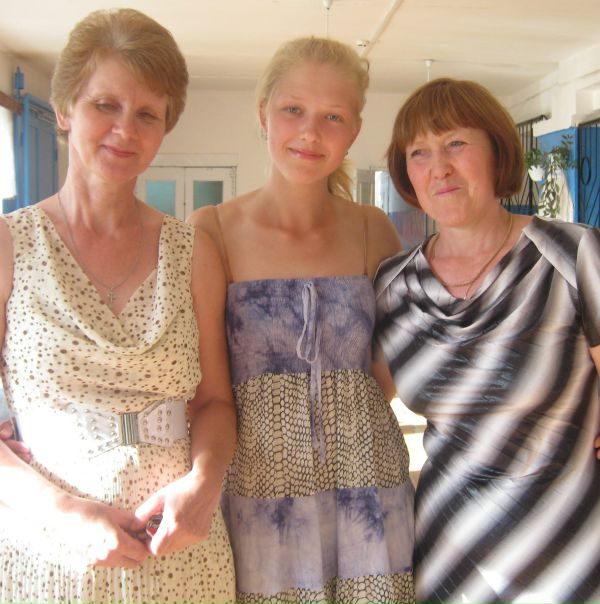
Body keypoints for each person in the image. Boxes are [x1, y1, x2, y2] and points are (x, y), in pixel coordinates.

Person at [0, 9, 235, 604]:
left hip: (183, 554)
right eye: (105, 104)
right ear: (64, 110)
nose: (125, 130)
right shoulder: (8, 245)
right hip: (48, 553)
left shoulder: (194, 252)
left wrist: (204, 486)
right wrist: (61, 513)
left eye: (147, 114)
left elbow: (214, 401)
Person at [188, 36, 415, 604]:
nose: (310, 132)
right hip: (258, 488)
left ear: (353, 131)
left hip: (369, 481)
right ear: (263, 113)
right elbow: (206, 386)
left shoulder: (373, 228)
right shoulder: (212, 229)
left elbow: (391, 367)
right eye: (293, 109)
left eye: (332, 116)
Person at [375, 77, 600, 604]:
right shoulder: (393, 285)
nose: (439, 168)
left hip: (567, 552)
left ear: (497, 150)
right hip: (449, 555)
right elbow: (361, 401)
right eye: (419, 152)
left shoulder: (572, 256)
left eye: (456, 143)